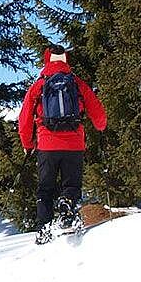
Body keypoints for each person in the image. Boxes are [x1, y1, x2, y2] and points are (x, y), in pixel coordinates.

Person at [18, 44, 107, 243]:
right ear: (66, 59)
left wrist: (28, 144)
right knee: (72, 185)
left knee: (45, 188)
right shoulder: (77, 83)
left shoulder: (39, 85)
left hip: (46, 145)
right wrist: (100, 127)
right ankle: (67, 206)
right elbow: (98, 112)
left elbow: (24, 119)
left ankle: (44, 230)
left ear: (47, 60)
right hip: (74, 143)